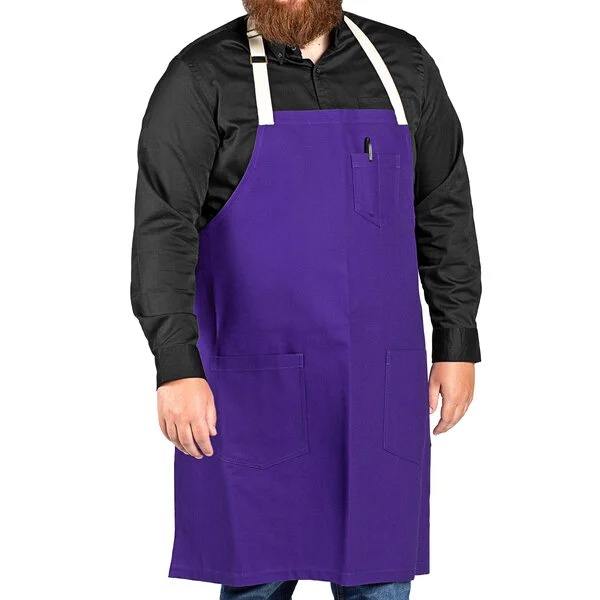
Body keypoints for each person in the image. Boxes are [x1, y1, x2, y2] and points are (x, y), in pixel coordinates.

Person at [131, 1, 481, 598]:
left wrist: (457, 338)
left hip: (376, 387)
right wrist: (176, 364)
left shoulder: (404, 67)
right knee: (256, 581)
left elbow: (442, 208)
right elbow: (164, 230)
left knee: (379, 576)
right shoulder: (202, 77)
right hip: (252, 390)